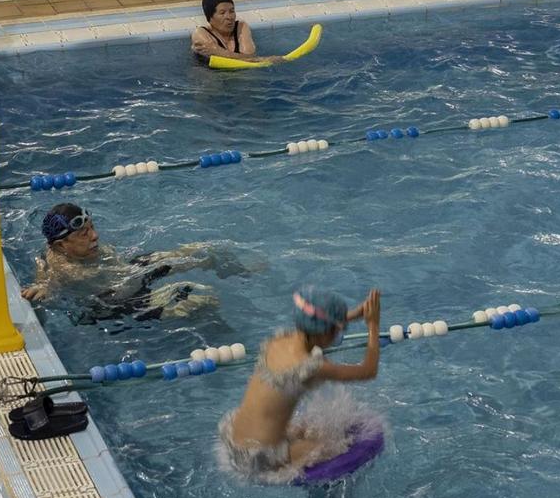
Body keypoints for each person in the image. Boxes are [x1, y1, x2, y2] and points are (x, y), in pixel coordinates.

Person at [218, 286, 382, 482]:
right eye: (337, 333)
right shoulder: (311, 367)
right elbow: (368, 371)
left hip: (233, 437)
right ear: (325, 333)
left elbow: (318, 320)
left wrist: (355, 314)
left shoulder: (278, 340)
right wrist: (373, 325)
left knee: (305, 429)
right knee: (333, 447)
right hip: (260, 458)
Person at [20, 203, 238, 323]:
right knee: (202, 298)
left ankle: (235, 270)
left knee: (196, 252)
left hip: (131, 274)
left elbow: (123, 269)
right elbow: (47, 281)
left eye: (92, 228)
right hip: (120, 303)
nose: (95, 236)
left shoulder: (83, 251)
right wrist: (42, 287)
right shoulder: (62, 267)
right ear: (60, 246)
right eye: (84, 234)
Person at [192, 0, 279, 64]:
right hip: (211, 73)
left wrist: (218, 52)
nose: (229, 17)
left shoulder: (241, 27)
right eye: (222, 13)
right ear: (210, 17)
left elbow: (251, 57)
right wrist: (264, 60)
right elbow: (250, 59)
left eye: (232, 11)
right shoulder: (200, 33)